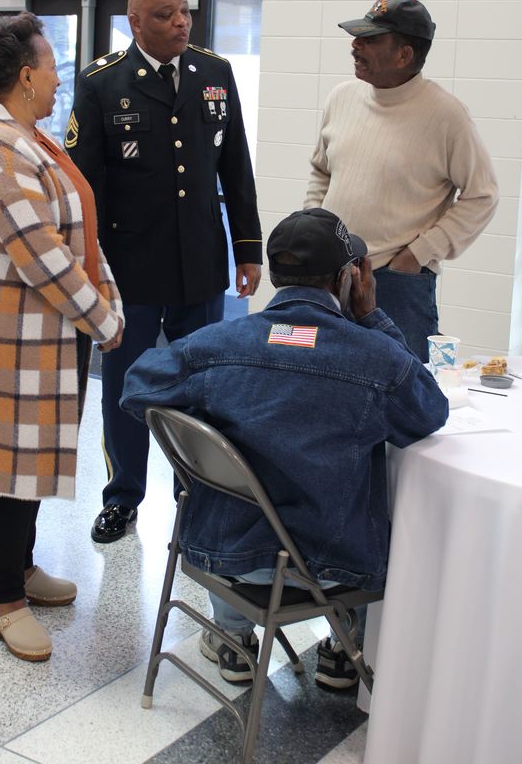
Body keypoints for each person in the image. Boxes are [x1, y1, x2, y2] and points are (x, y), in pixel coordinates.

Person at [121, 207, 448, 688]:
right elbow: (429, 411)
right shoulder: (374, 360)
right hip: (332, 568)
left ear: (275, 274)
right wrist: (373, 316)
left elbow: (137, 388)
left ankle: (234, 638)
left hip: (223, 555)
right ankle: (343, 647)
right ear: (347, 279)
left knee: (241, 492)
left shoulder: (214, 345)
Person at [0, 12, 124, 663]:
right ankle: (4, 604)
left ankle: (21, 569)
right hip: (7, 341)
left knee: (29, 462)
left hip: (44, 335)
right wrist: (104, 320)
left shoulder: (31, 139)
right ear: (25, 76)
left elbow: (80, 228)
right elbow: (41, 253)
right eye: (52, 66)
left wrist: (107, 303)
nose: (59, 80)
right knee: (4, 466)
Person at [66, 0, 262, 544]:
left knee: (200, 386)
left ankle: (196, 494)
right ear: (135, 24)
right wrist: (90, 271)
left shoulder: (214, 73)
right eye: (165, 15)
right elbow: (84, 187)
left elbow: (236, 167)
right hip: (129, 269)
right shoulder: (102, 83)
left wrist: (247, 247)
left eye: (184, 13)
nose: (181, 23)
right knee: (127, 388)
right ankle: (123, 497)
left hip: (200, 264)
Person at [305, 0, 499, 363]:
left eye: (370, 40)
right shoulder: (341, 97)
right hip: (329, 275)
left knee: (402, 390)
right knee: (325, 380)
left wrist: (418, 254)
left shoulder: (446, 115)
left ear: (403, 55)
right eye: (357, 37)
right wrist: (315, 226)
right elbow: (321, 170)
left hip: (395, 281)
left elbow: (482, 195)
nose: (355, 46)